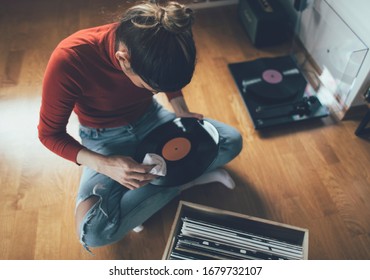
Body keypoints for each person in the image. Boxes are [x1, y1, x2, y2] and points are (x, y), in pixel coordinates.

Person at [38, 0, 242, 252]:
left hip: (153, 119)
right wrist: (105, 164)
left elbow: (165, 75)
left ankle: (155, 190)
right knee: (93, 232)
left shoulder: (159, 37)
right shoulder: (70, 59)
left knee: (232, 140)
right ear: (123, 60)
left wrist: (180, 109)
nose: (156, 91)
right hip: (104, 140)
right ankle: (181, 177)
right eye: (151, 88)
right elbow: (49, 134)